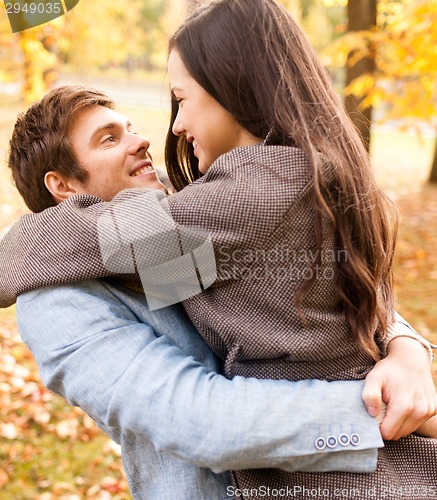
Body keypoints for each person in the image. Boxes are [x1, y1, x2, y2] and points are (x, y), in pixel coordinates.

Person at [0, 0, 436, 491]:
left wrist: (406, 349)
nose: (152, 138)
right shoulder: (58, 299)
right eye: (108, 139)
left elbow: (310, 282)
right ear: (62, 189)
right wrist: (389, 409)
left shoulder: (224, 204)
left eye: (176, 103)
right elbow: (203, 419)